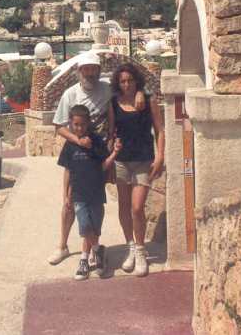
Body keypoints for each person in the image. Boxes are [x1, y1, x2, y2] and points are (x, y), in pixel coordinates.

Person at [47, 51, 113, 266]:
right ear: (79, 71)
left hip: (98, 155)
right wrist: (78, 140)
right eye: (86, 69)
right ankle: (63, 246)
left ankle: (93, 249)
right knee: (69, 202)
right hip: (76, 155)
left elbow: (115, 111)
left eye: (94, 69)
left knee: (94, 204)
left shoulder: (107, 90)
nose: (90, 73)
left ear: (99, 70)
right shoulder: (70, 94)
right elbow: (58, 127)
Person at [107, 63, 165, 277]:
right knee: (123, 206)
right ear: (118, 83)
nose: (126, 84)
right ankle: (130, 246)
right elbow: (111, 131)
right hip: (121, 161)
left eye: (130, 80)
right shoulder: (114, 102)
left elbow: (160, 130)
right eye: (122, 81)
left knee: (137, 207)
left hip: (143, 160)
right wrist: (111, 151)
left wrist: (160, 155)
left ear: (136, 81)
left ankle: (140, 249)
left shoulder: (148, 100)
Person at [58, 105, 121, 280]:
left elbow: (103, 166)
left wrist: (114, 153)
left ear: (88, 123)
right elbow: (68, 171)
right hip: (78, 194)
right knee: (84, 226)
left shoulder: (96, 142)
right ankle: (98, 250)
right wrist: (65, 195)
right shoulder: (70, 145)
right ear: (71, 124)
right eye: (76, 125)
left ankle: (84, 260)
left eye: (83, 125)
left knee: (93, 228)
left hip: (96, 193)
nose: (79, 128)